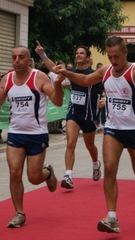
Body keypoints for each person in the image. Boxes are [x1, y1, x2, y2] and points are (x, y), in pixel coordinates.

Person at [56, 36, 135, 233]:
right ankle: (112, 217)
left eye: (117, 56)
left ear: (125, 53)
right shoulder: (105, 71)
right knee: (109, 167)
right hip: (113, 129)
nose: (113, 60)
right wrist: (67, 73)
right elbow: (86, 80)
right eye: (110, 56)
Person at [0, 45, 63, 228]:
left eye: (21, 57)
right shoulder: (7, 79)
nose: (17, 61)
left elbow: (58, 101)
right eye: (14, 57)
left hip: (36, 134)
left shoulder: (39, 77)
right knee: (14, 172)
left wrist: (58, 84)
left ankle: (48, 174)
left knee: (34, 177)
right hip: (15, 133)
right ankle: (19, 213)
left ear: (28, 60)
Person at [35, 41, 101, 189]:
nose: (78, 55)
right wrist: (42, 54)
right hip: (73, 112)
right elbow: (53, 68)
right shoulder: (71, 71)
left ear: (88, 58)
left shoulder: (93, 74)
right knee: (71, 143)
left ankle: (96, 164)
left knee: (90, 146)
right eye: (77, 53)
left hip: (89, 115)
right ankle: (68, 175)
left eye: (82, 53)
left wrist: (103, 99)